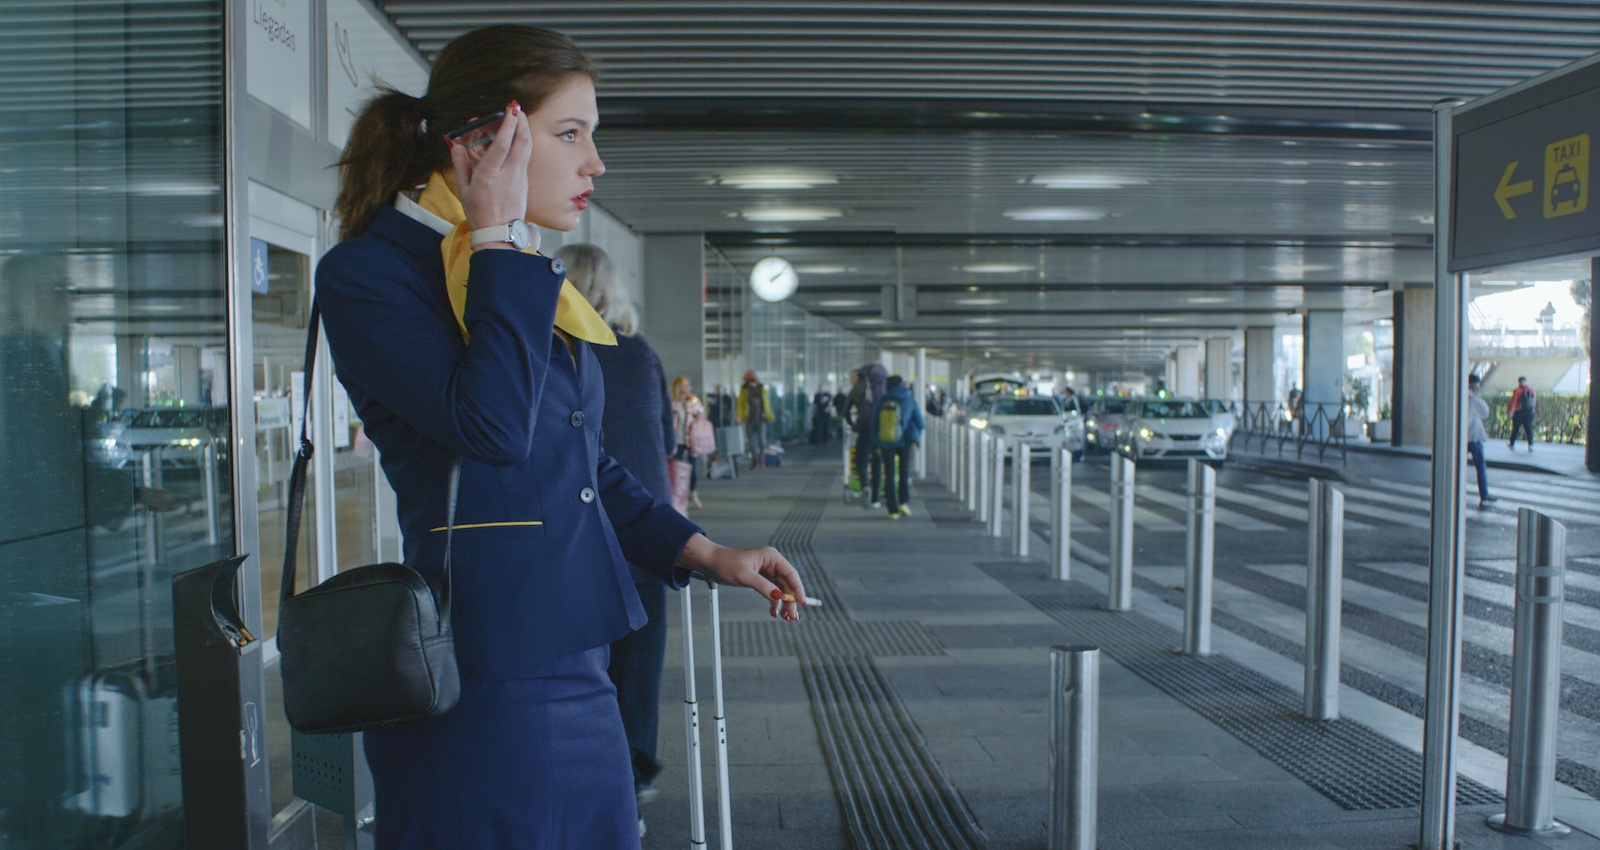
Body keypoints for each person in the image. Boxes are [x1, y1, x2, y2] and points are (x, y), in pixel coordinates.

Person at [314, 26, 805, 849]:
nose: (594, 163)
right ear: (484, 142)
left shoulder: (505, 268)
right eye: (570, 134)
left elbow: (583, 461)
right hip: (476, 666)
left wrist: (701, 551)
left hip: (577, 654)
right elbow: (492, 428)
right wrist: (500, 238)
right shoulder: (376, 273)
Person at [554, 241, 674, 824]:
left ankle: (590, 785)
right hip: (650, 525)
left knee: (583, 662)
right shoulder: (642, 354)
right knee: (640, 660)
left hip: (580, 528)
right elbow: (666, 440)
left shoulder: (553, 351)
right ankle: (636, 772)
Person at [872, 374, 926, 519]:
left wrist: (877, 440)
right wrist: (914, 436)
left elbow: (874, 423)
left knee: (889, 474)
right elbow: (921, 423)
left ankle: (892, 510)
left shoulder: (882, 400)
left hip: (886, 441)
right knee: (903, 472)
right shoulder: (909, 399)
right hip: (905, 441)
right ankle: (903, 502)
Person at [846, 362, 888, 509]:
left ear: (859, 376)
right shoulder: (881, 388)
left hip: (864, 430)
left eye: (853, 377)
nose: (852, 380)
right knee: (877, 462)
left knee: (860, 461)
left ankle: (865, 484)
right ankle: (876, 499)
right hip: (879, 431)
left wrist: (854, 426)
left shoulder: (856, 390)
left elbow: (846, 412)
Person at [671, 376, 706, 509]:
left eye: (686, 386)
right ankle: (679, 497)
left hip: (692, 440)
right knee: (677, 469)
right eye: (682, 386)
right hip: (677, 441)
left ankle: (693, 492)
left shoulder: (693, 401)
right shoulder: (671, 403)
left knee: (694, 469)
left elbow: (702, 418)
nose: (685, 389)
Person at [1466, 374, 1497, 507]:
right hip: (1473, 438)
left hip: (1462, 438)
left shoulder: (1460, 396)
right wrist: (1477, 395)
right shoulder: (1472, 399)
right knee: (1480, 466)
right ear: (1474, 387)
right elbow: (1485, 412)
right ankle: (1484, 495)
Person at [735, 369, 773, 470]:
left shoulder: (761, 388)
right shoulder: (744, 390)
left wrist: (769, 415)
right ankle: (755, 459)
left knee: (762, 442)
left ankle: (760, 459)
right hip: (749, 419)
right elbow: (740, 404)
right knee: (751, 441)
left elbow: (766, 403)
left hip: (761, 418)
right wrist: (739, 415)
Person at [1508, 375, 1536, 451]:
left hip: (1519, 412)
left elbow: (1513, 402)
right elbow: (1534, 401)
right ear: (1526, 381)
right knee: (1528, 429)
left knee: (1516, 428)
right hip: (1529, 412)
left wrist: (1510, 411)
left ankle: (1512, 444)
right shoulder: (1532, 390)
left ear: (1519, 382)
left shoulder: (1517, 391)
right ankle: (1531, 445)